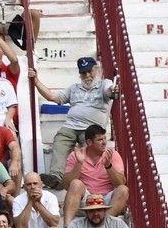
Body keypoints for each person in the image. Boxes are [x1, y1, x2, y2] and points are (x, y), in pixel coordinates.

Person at [28, 57, 117, 191]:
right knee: (60, 140)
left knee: (90, 149)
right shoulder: (74, 88)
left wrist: (112, 91)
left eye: (89, 71)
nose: (87, 75)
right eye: (83, 73)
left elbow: (109, 90)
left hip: (92, 128)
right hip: (70, 126)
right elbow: (53, 97)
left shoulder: (104, 83)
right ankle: (56, 177)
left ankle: (88, 183)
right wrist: (35, 81)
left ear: (96, 70)